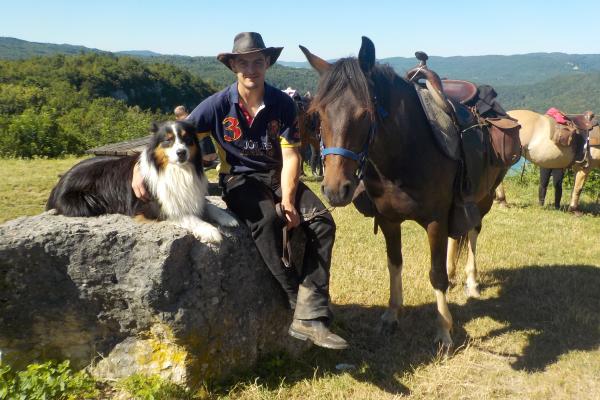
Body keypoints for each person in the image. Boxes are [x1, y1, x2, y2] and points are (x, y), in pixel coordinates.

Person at [133, 32, 347, 350]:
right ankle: (295, 302)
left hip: (278, 177)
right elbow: (172, 135)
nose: (251, 69)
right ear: (233, 66)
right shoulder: (217, 105)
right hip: (239, 181)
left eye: (258, 61)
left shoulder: (283, 104)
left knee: (322, 222)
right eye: (243, 62)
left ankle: (311, 309)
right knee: (266, 219)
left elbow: (291, 156)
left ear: (267, 64)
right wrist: (139, 168)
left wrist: (288, 198)